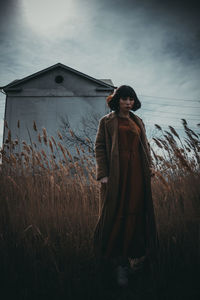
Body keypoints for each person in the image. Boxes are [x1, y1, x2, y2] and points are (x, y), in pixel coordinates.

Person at [93, 85, 159, 287]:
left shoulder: (137, 121)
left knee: (136, 212)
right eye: (124, 99)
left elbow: (144, 146)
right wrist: (103, 174)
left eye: (131, 99)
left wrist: (149, 167)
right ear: (117, 100)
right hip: (117, 174)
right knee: (115, 213)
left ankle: (135, 259)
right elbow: (100, 146)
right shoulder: (107, 121)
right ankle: (117, 263)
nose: (128, 103)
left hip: (137, 174)